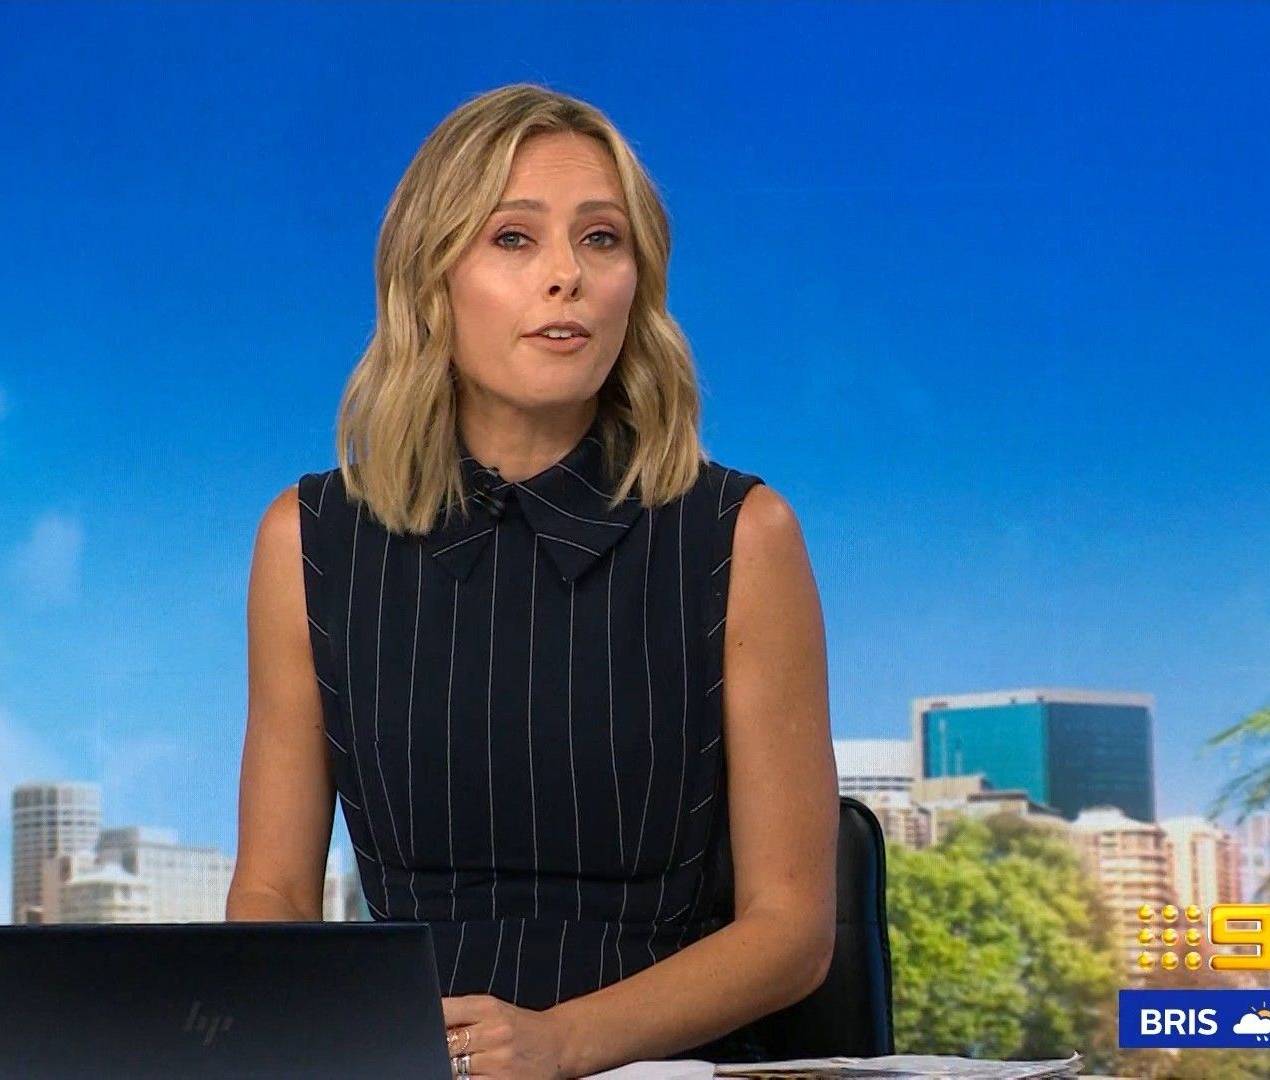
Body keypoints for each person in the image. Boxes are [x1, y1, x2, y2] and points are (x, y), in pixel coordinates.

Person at [226, 83, 837, 1080]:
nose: (567, 276)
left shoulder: (743, 535)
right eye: (514, 238)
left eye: (601, 240)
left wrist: (560, 1044)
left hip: (657, 1067)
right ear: (432, 278)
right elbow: (272, 897)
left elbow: (793, 932)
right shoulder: (307, 539)